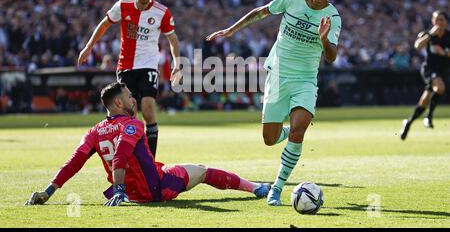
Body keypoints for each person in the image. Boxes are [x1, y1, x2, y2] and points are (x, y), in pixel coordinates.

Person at [206, 0, 341, 206]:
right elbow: (261, 11)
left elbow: (331, 57)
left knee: (299, 131)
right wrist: (231, 30)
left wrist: (323, 40)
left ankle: (276, 189)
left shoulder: (333, 17)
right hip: (278, 76)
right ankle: (291, 131)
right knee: (269, 138)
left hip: (305, 80)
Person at [25, 82, 270, 206]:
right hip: (153, 188)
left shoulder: (94, 131)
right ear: (119, 103)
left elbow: (73, 163)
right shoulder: (133, 124)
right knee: (202, 170)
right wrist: (119, 189)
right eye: (130, 96)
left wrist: (47, 192)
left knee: (166, 165)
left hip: (130, 193)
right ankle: (256, 188)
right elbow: (121, 154)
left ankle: (256, 187)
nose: (134, 99)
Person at [78, 0, 181, 158]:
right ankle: (132, 159)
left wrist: (177, 62)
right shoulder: (123, 5)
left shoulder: (161, 12)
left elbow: (172, 38)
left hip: (148, 65)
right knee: (128, 116)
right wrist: (89, 46)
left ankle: (151, 162)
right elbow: (104, 24)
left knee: (148, 111)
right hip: (126, 66)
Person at [400, 11, 450, 140]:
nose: (439, 22)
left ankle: (408, 122)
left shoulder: (449, 36)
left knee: (424, 101)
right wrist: (430, 34)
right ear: (433, 22)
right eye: (436, 20)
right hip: (429, 69)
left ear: (446, 22)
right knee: (440, 88)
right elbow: (417, 45)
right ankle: (429, 116)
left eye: (441, 20)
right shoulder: (428, 35)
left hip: (443, 70)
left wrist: (444, 53)